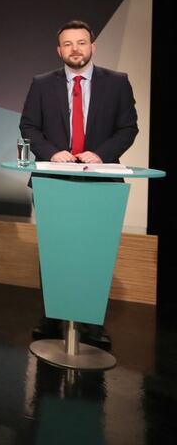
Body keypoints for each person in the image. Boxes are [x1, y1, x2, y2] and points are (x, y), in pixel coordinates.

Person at [19, 19, 138, 350]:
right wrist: (52, 152)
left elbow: (128, 128)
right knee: (54, 249)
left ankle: (92, 321)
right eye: (68, 44)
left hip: (100, 180)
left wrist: (101, 154)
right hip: (53, 179)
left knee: (94, 250)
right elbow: (28, 125)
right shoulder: (42, 83)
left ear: (92, 46)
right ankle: (53, 316)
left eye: (82, 42)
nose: (76, 49)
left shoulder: (117, 82)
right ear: (60, 50)